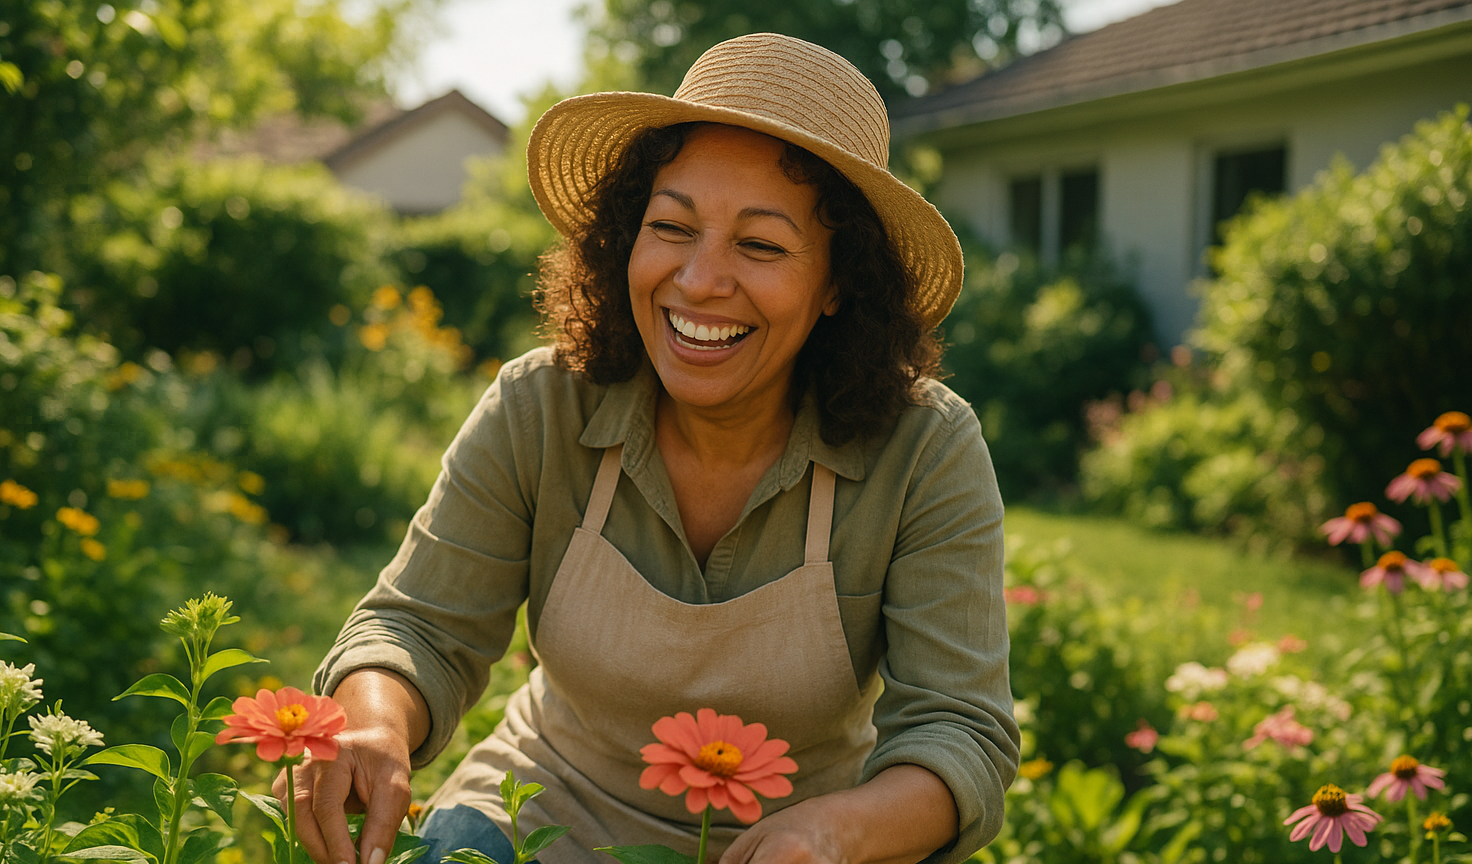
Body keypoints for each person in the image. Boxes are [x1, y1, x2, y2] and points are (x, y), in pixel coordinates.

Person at [289, 32, 1018, 864]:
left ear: (838, 285)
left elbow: (959, 732)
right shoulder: (543, 407)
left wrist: (831, 834)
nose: (699, 280)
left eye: (761, 245)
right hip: (539, 812)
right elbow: (418, 627)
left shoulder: (923, 450)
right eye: (671, 226)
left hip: (795, 844)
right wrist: (375, 723)